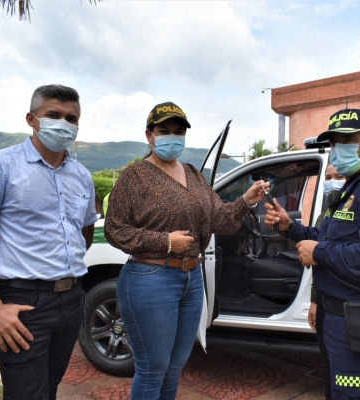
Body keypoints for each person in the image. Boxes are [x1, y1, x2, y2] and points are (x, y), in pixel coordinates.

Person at [104, 101, 268, 400]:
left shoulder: (193, 173)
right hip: (150, 277)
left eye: (178, 132)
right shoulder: (135, 177)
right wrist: (164, 242)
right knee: (153, 369)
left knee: (174, 367)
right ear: (149, 136)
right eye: (163, 131)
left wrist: (245, 200)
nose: (172, 137)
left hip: (191, 279)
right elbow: (115, 230)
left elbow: (220, 220)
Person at [265, 109, 360, 400]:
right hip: (341, 319)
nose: (337, 150)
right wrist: (291, 228)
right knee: (340, 393)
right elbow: (328, 239)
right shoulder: (354, 186)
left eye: (347, 141)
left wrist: (320, 253)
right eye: (334, 142)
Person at [0, 84, 97, 400]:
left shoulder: (82, 176)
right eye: (54, 115)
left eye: (71, 118)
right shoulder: (0, 165)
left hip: (71, 299)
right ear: (32, 119)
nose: (64, 123)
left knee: (49, 388)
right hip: (23, 302)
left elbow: (82, 232)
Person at [308, 164, 345, 399]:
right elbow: (321, 260)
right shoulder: (328, 212)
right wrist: (315, 300)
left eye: (339, 176)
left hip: (349, 310)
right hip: (326, 303)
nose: (332, 182)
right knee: (331, 371)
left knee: (349, 378)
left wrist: (318, 252)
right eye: (328, 177)